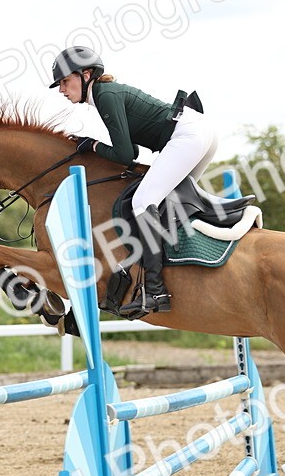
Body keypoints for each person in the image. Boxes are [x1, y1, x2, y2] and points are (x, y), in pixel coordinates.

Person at [49, 45, 218, 315]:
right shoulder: (105, 95)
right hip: (199, 132)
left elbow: (125, 155)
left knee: (143, 201)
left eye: (65, 82)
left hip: (187, 136)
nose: (61, 89)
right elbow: (133, 150)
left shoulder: (104, 95)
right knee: (170, 202)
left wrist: (91, 146)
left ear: (86, 74)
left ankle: (155, 289)